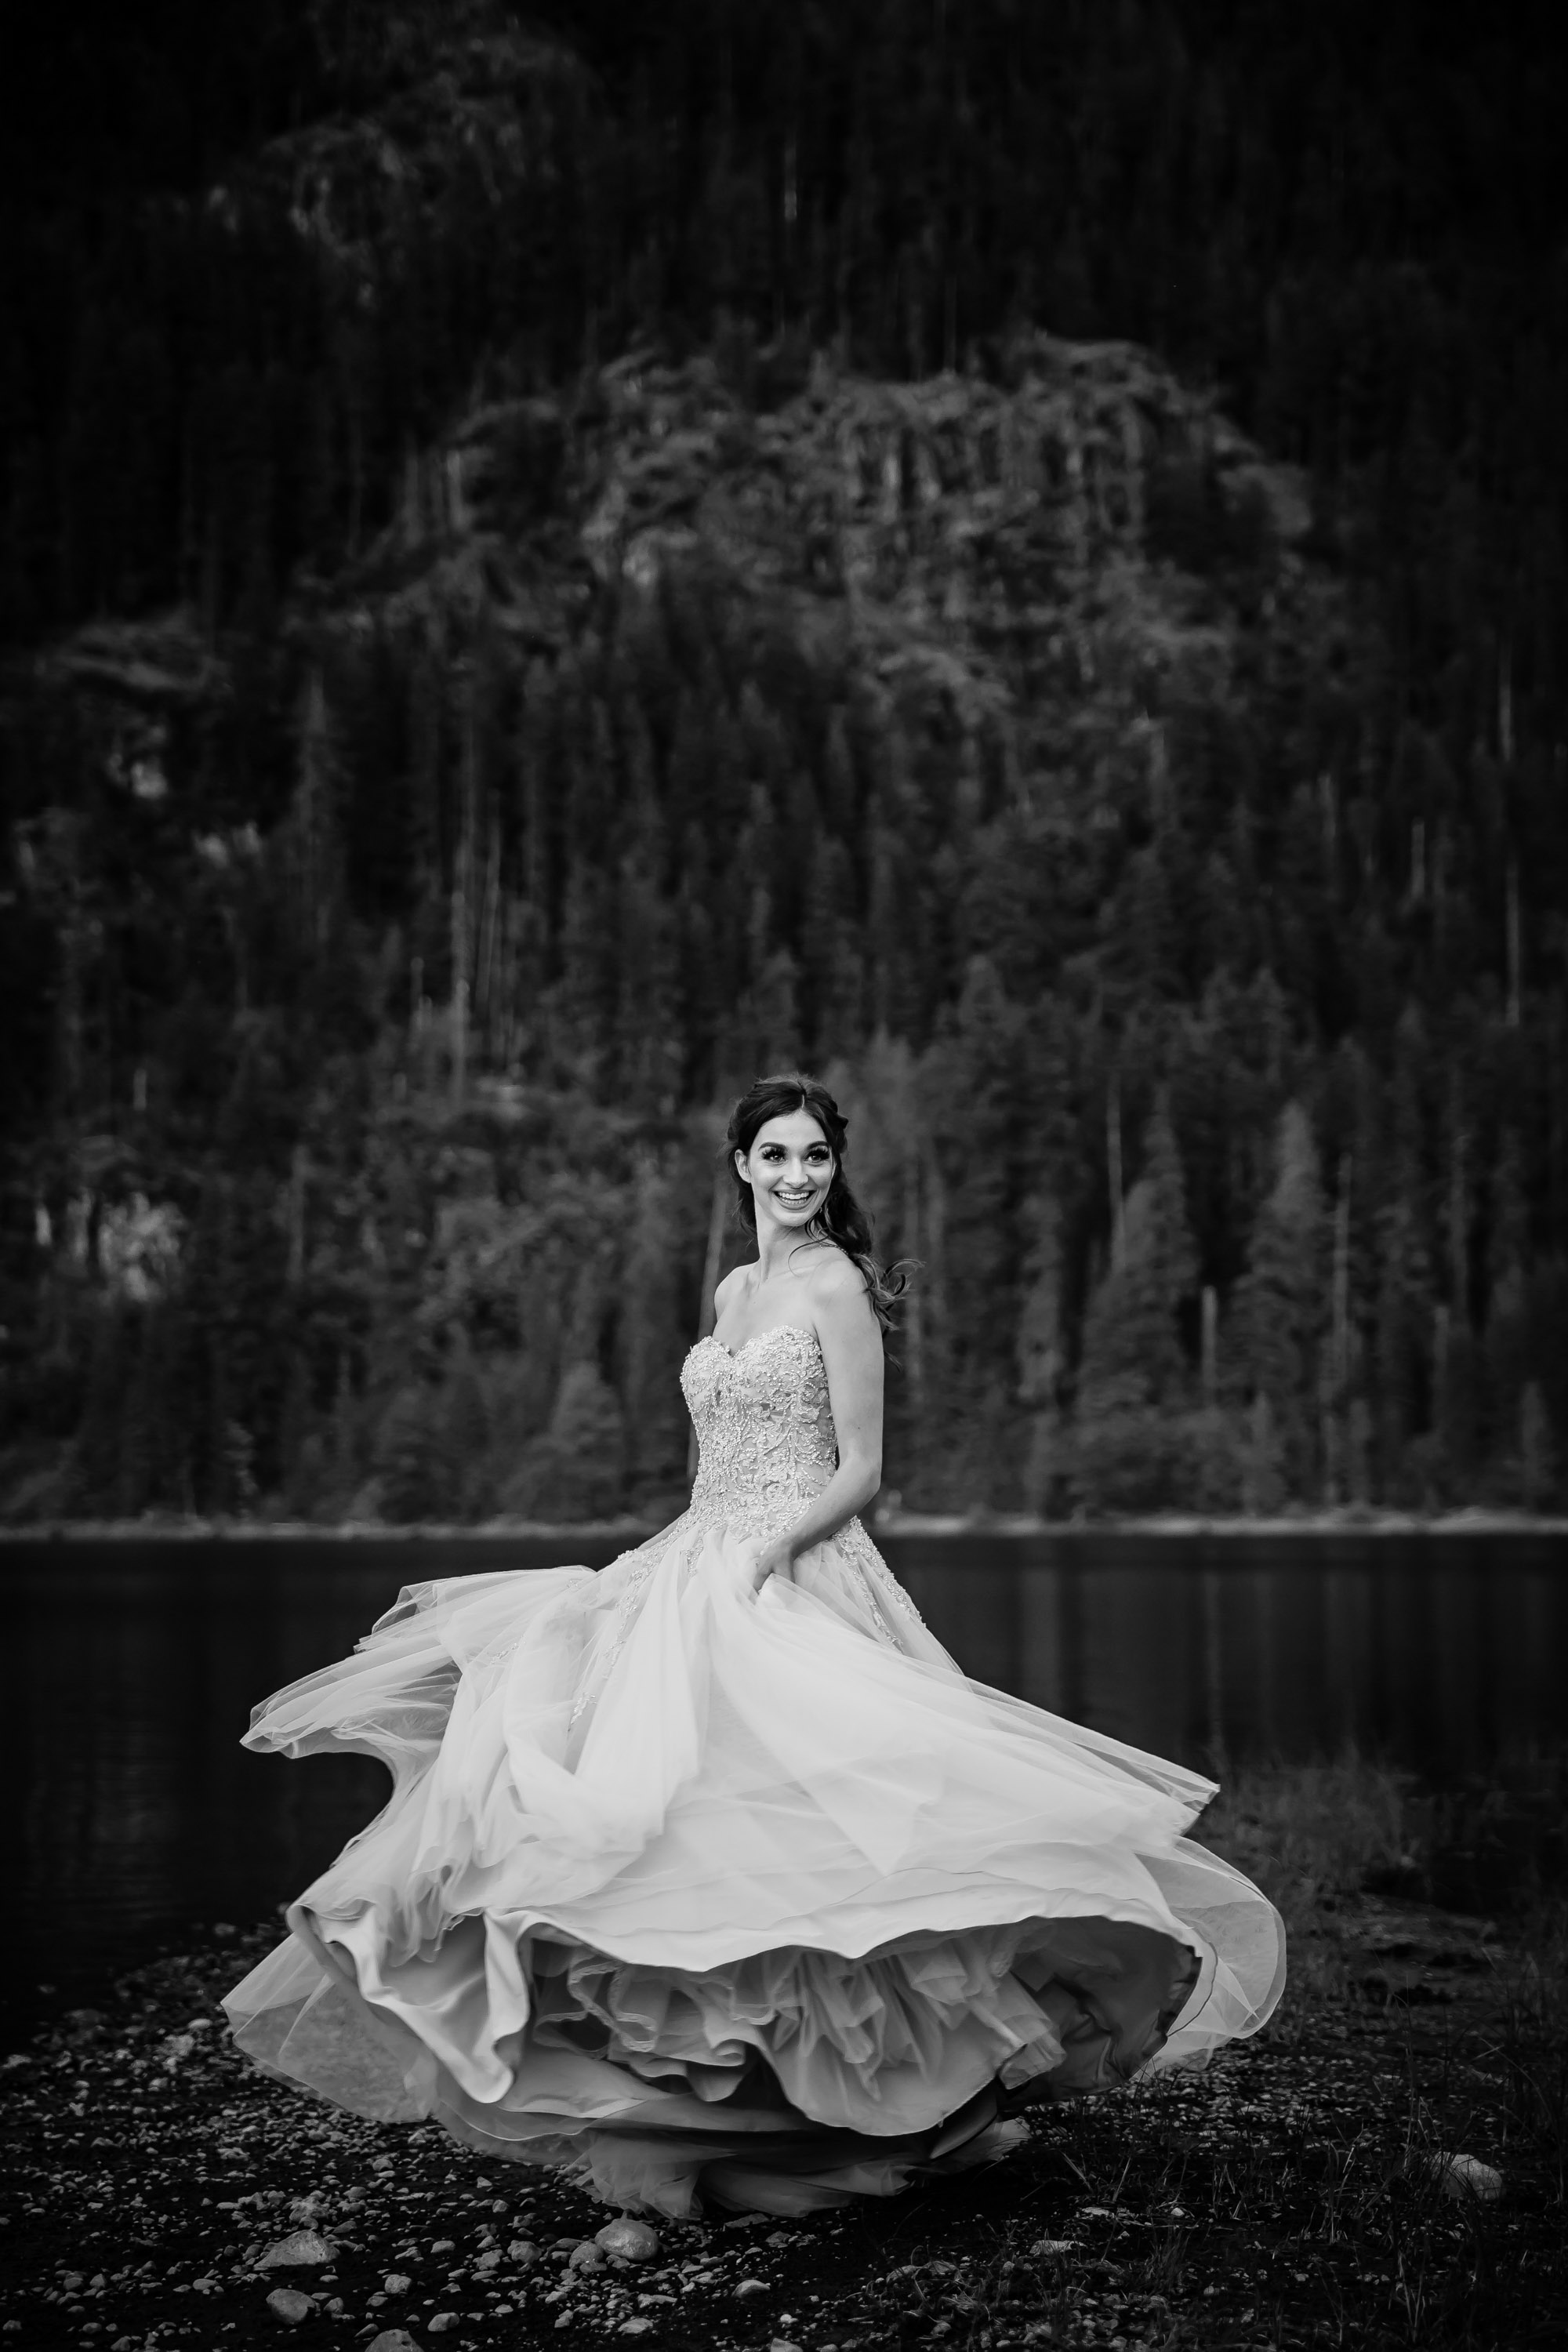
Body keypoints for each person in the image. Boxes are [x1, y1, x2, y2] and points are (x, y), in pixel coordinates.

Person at [223, 1072, 1284, 2218]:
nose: (795, 1176)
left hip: (794, 1573)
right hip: (698, 1558)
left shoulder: (836, 1284)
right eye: (774, 1156)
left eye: (814, 1157)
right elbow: (711, 1460)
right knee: (672, 1827)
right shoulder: (735, 1288)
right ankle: (740, 2102)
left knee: (833, 1837)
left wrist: (765, 1559)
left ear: (835, 1168)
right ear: (741, 1167)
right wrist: (679, 1557)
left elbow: (863, 1473)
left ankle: (902, 2097)